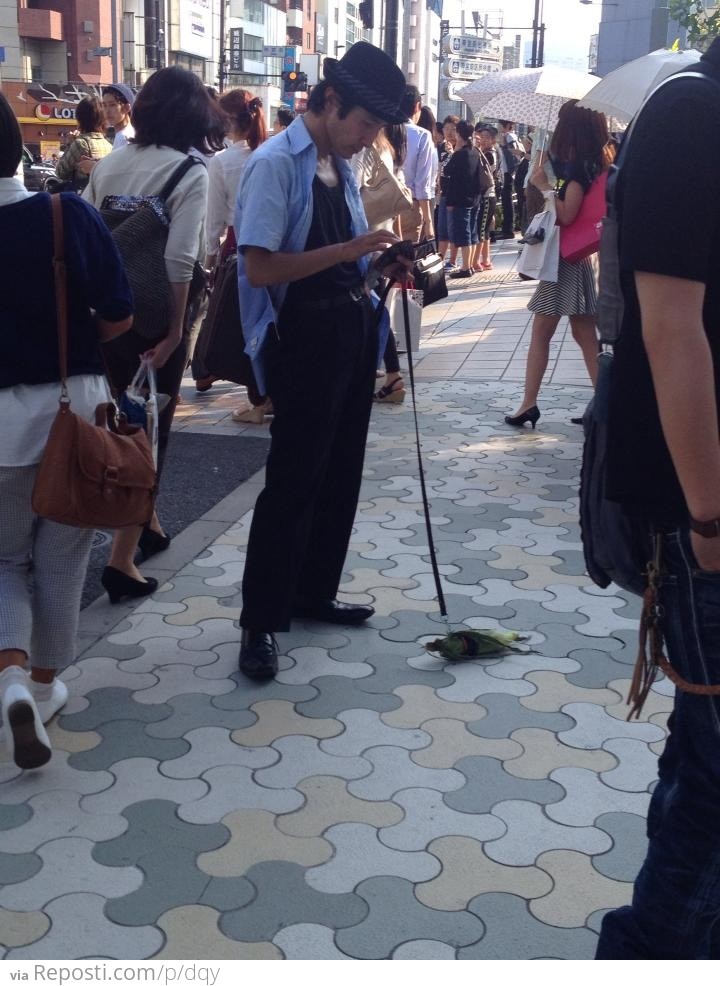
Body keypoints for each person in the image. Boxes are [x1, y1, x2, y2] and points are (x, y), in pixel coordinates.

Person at [597, 38, 720, 960]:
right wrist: (711, 523)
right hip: (703, 521)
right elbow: (671, 327)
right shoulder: (692, 114)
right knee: (714, 789)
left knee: (704, 765)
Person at [234, 42, 409, 680]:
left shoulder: (342, 163)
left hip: (350, 331)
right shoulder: (277, 163)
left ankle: (312, 592)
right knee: (292, 479)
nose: (368, 139)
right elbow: (258, 268)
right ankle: (260, 621)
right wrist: (348, 251)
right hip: (300, 339)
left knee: (340, 470)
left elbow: (351, 261)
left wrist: (379, 262)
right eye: (363, 124)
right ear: (330, 102)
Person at [0, 93, 132, 769]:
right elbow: (116, 316)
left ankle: (10, 680)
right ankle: (46, 687)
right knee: (62, 558)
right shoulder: (64, 214)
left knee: (3, 560)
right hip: (70, 410)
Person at [84, 66, 226, 603]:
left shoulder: (112, 162)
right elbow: (181, 259)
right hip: (153, 318)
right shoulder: (191, 171)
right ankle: (121, 563)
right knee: (149, 429)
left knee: (121, 420)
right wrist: (173, 333)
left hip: (105, 314)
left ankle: (149, 523)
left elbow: (93, 238)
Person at [505, 101, 614, 428]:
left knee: (545, 332)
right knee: (583, 333)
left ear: (572, 128)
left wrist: (545, 186)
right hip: (576, 257)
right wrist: (546, 176)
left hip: (564, 262)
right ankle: (602, 404)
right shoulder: (592, 164)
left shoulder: (578, 170)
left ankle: (530, 403)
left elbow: (566, 214)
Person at [194, 88, 269, 413]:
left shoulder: (222, 163)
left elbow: (214, 223)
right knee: (269, 322)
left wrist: (210, 260)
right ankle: (267, 394)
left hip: (239, 248)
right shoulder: (270, 154)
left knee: (243, 324)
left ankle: (257, 399)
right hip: (278, 249)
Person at [353, 124, 409, 404]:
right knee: (376, 307)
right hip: (380, 236)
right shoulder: (385, 147)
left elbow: (350, 196)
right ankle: (392, 375)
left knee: (369, 308)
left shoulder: (363, 148)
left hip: (362, 240)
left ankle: (380, 373)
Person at [444, 119, 484, 279]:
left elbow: (447, 171)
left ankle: (466, 267)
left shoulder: (459, 154)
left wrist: (450, 202)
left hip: (461, 200)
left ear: (459, 134)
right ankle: (470, 265)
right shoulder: (475, 152)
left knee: (464, 232)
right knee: (472, 231)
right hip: (475, 198)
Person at [399, 85, 434, 243]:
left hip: (382, 206)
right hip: (409, 204)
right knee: (406, 262)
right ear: (417, 106)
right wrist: (428, 221)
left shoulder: (382, 129)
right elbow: (422, 183)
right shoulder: (422, 135)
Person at [53, 96, 110, 192]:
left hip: (83, 198)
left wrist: (70, 144)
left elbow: (60, 172)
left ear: (80, 118)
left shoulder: (81, 144)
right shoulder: (109, 145)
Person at [474, 124, 498, 271]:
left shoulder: (490, 154)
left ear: (493, 140)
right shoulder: (484, 152)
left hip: (487, 195)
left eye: (487, 138)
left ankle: (476, 261)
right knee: (485, 229)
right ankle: (486, 260)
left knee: (481, 229)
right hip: (489, 195)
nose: (483, 140)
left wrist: (477, 150)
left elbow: (486, 169)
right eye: (481, 137)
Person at [436, 115, 459, 270]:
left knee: (453, 229)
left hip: (455, 194)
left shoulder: (461, 149)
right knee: (442, 229)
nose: (450, 133)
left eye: (453, 129)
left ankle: (453, 260)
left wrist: (453, 153)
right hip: (442, 194)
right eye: (447, 129)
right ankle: (440, 260)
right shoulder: (438, 148)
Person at [497, 119, 523, 239]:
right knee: (506, 199)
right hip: (510, 171)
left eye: (500, 125)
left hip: (509, 171)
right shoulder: (513, 136)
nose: (498, 128)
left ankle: (508, 230)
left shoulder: (508, 136)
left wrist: (503, 145)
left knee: (506, 200)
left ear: (507, 126)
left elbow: (515, 154)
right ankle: (507, 228)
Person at [103, 83, 136, 149]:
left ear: (126, 107)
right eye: (104, 105)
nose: (107, 111)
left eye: (112, 105)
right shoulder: (131, 133)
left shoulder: (123, 138)